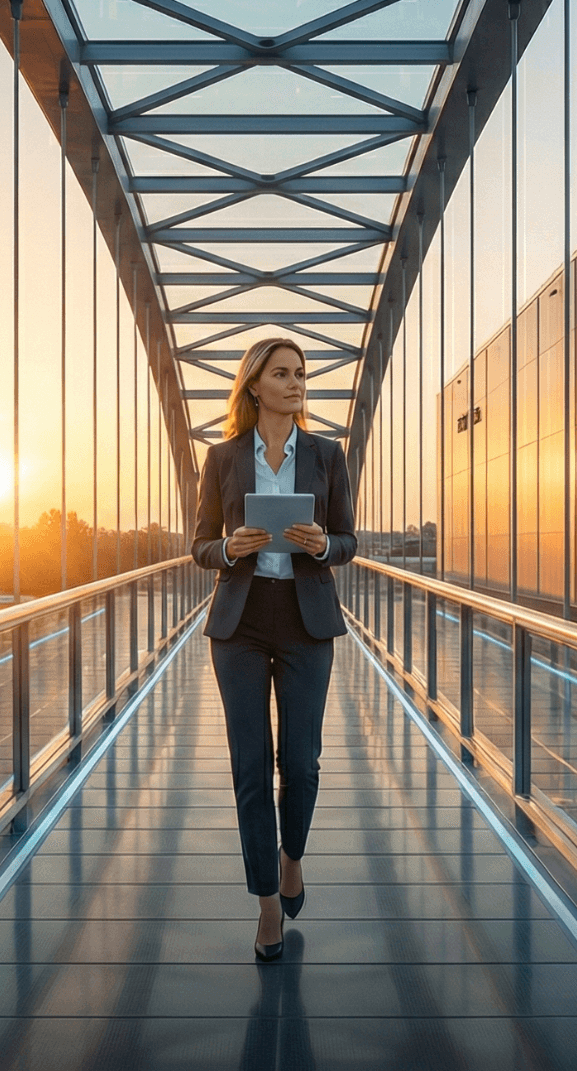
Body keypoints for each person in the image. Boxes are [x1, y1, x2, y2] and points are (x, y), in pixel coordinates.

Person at [190, 336, 357, 962]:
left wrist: (321, 545)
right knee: (250, 767)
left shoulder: (327, 455)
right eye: (281, 374)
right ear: (254, 385)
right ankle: (266, 904)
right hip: (240, 623)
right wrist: (229, 549)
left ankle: (293, 859)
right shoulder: (224, 458)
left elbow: (349, 539)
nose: (295, 383)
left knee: (303, 762)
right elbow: (200, 544)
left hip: (305, 621)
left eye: (301, 374)